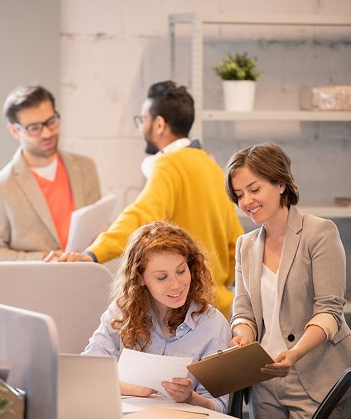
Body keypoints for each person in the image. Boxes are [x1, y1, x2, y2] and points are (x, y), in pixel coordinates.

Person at [46, 80, 244, 318]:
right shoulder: (211, 167)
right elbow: (236, 243)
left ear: (159, 124)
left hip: (182, 310)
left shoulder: (169, 164)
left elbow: (141, 217)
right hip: (217, 309)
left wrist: (93, 254)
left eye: (143, 120)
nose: (141, 128)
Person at [225, 142, 351, 418]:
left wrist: (294, 354)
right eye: (239, 194)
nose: (247, 201)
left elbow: (330, 312)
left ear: (281, 183)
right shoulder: (245, 245)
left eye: (255, 189)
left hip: (315, 377)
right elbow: (243, 312)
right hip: (263, 380)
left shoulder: (320, 233)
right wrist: (243, 338)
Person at [83, 221, 230, 413]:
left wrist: (190, 397)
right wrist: (138, 389)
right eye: (162, 277)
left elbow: (220, 407)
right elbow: (87, 375)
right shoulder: (121, 313)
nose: (176, 285)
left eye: (181, 271)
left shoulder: (212, 324)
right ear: (141, 279)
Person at [0, 84, 101, 261]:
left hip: (85, 279)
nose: (46, 133)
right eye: (34, 128)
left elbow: (96, 228)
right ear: (14, 130)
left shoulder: (85, 168)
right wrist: (43, 258)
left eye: (51, 122)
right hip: (32, 285)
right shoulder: (0, 188)